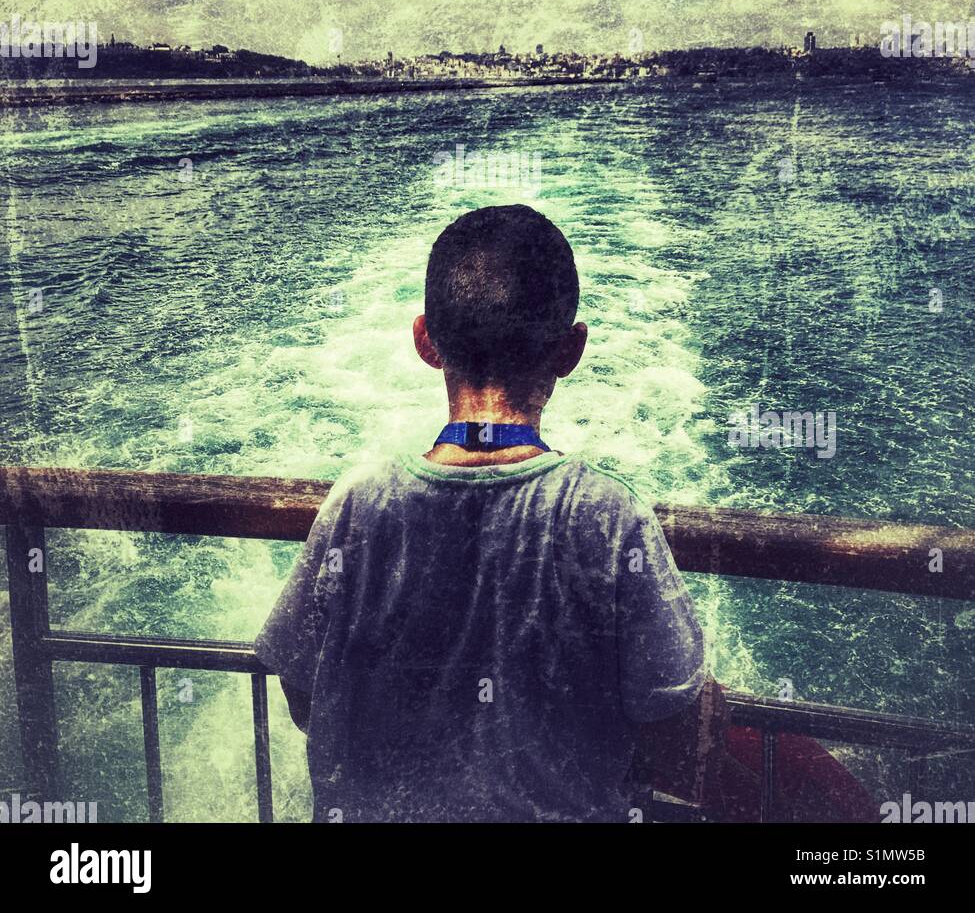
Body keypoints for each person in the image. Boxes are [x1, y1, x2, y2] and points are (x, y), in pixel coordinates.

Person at [254, 203, 866, 823]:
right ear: (571, 351)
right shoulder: (609, 518)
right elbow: (674, 730)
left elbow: (304, 691)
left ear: (425, 342)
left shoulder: (357, 504)